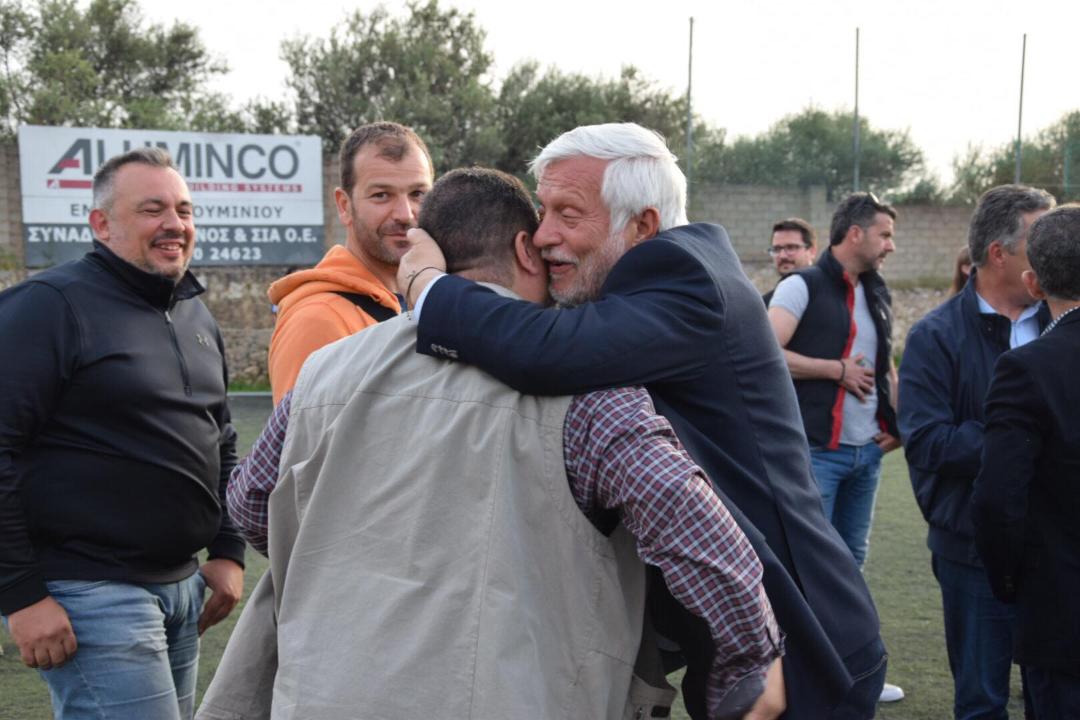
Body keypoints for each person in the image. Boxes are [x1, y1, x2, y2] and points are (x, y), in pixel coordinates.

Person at [200, 168, 784, 720]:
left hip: (325, 695)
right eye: (545, 246)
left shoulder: (325, 371)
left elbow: (252, 504)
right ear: (526, 251)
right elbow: (698, 532)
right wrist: (748, 668)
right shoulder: (590, 392)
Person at [399, 123, 886, 719]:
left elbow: (548, 351)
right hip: (762, 645)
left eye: (567, 214)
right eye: (543, 211)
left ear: (642, 226)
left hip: (801, 647)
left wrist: (427, 285)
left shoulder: (681, 275)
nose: (543, 234)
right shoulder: (675, 270)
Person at [0, 147, 246, 720]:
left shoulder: (194, 313)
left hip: (183, 588)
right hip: (91, 591)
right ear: (101, 224)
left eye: (184, 210)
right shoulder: (48, 307)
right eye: (152, 209)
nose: (174, 224)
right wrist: (21, 594)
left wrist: (228, 550)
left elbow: (221, 437)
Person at [899, 184, 1055, 720]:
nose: (1052, 253)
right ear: (999, 253)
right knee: (982, 701)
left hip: (1054, 546)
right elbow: (926, 440)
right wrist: (1022, 441)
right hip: (971, 547)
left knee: (1054, 694)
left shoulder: (1062, 326)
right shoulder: (935, 335)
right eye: (1040, 242)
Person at [972, 204, 1080, 720]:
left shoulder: (1027, 368)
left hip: (1063, 614)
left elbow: (998, 499)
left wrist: (1011, 582)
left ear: (1034, 284)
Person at [767, 193, 900, 567]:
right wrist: (835, 370)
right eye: (885, 235)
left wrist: (898, 424)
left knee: (853, 557)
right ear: (856, 234)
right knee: (812, 562)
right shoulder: (800, 285)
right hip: (815, 452)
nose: (891, 245)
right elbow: (764, 355)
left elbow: (886, 365)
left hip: (868, 453)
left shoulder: (878, 291)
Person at [266, 122, 434, 403]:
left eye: (418, 194)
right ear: (344, 206)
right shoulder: (318, 319)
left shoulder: (430, 301)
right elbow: (304, 432)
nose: (405, 214)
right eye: (381, 195)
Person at [762, 217, 818, 305]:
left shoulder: (829, 295)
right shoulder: (766, 304)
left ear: (812, 251)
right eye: (777, 249)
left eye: (791, 247)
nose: (782, 256)